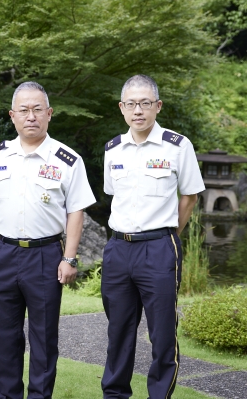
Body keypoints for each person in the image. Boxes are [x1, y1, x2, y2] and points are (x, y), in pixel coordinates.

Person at [0, 81, 96, 398]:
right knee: (5, 337)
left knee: (44, 338)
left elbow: (76, 211)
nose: (31, 116)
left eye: (37, 109)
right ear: (12, 116)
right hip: (3, 253)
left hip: (45, 257)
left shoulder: (67, 160)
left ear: (49, 114)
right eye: (24, 110)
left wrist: (69, 258)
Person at [101, 75, 205, 398]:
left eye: (145, 103)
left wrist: (170, 234)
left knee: (161, 334)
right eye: (131, 104)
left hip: (159, 248)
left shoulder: (177, 146)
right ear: (121, 108)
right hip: (118, 249)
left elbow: (189, 196)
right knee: (118, 331)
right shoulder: (113, 149)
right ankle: (115, 394)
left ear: (157, 106)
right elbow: (111, 195)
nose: (138, 110)